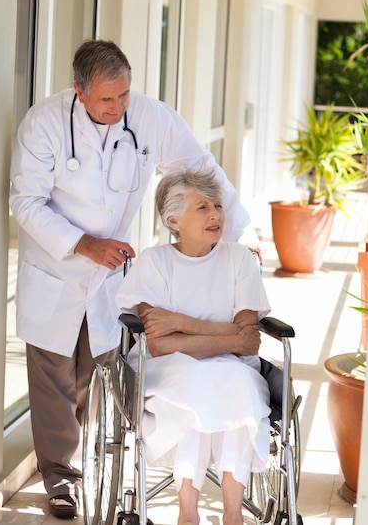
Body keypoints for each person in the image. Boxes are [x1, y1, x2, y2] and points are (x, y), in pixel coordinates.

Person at [9, 39, 263, 519]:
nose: (118, 106)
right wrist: (85, 244)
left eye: (124, 95)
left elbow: (198, 167)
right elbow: (26, 202)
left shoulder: (150, 116)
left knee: (97, 373)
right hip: (56, 266)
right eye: (107, 98)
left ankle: (90, 462)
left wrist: (234, 232)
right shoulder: (43, 124)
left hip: (110, 275)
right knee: (53, 377)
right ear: (79, 92)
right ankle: (61, 480)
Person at [116, 167, 271, 525]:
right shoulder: (154, 263)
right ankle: (189, 512)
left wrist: (182, 324)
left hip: (233, 367)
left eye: (217, 205)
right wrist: (226, 337)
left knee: (234, 384)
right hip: (166, 371)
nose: (216, 215)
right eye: (203, 208)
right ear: (173, 219)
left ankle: (233, 514)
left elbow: (248, 340)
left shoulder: (239, 259)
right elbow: (159, 345)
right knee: (196, 386)